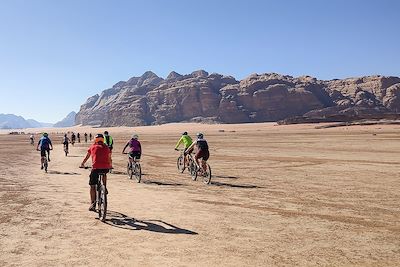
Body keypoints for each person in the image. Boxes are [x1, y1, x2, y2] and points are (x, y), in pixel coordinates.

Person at [80, 134, 111, 211]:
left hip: (95, 168)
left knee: (92, 185)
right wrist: (110, 165)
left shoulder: (92, 146)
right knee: (104, 173)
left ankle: (93, 203)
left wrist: (82, 164)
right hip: (105, 168)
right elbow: (109, 157)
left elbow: (87, 156)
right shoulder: (107, 147)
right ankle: (104, 186)